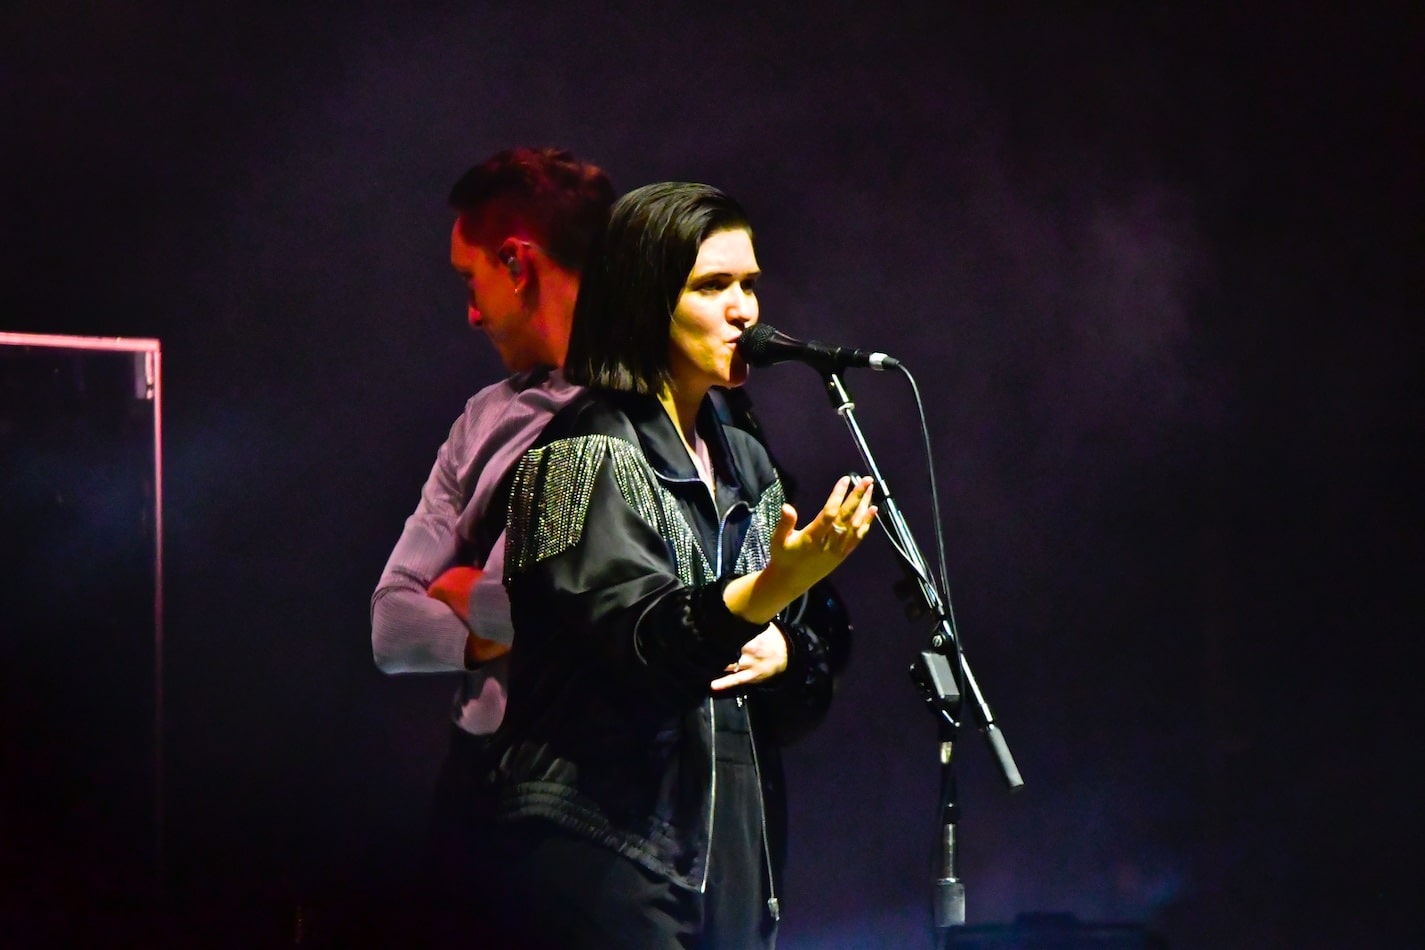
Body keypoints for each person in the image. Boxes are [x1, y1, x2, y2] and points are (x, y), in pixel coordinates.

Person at [482, 182, 877, 947]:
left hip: (726, 867)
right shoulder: (582, 454)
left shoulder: (748, 465)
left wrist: (787, 651)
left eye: (748, 284)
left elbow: (807, 675)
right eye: (712, 286)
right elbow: (637, 646)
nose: (744, 310)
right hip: (601, 855)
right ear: (645, 299)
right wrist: (764, 593)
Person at [368, 146, 615, 938]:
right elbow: (391, 628)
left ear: (516, 262)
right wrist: (499, 626)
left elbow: (563, 619)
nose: (470, 315)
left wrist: (462, 593)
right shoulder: (481, 422)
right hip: (476, 793)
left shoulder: (637, 417)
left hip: (591, 809)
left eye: (469, 282)